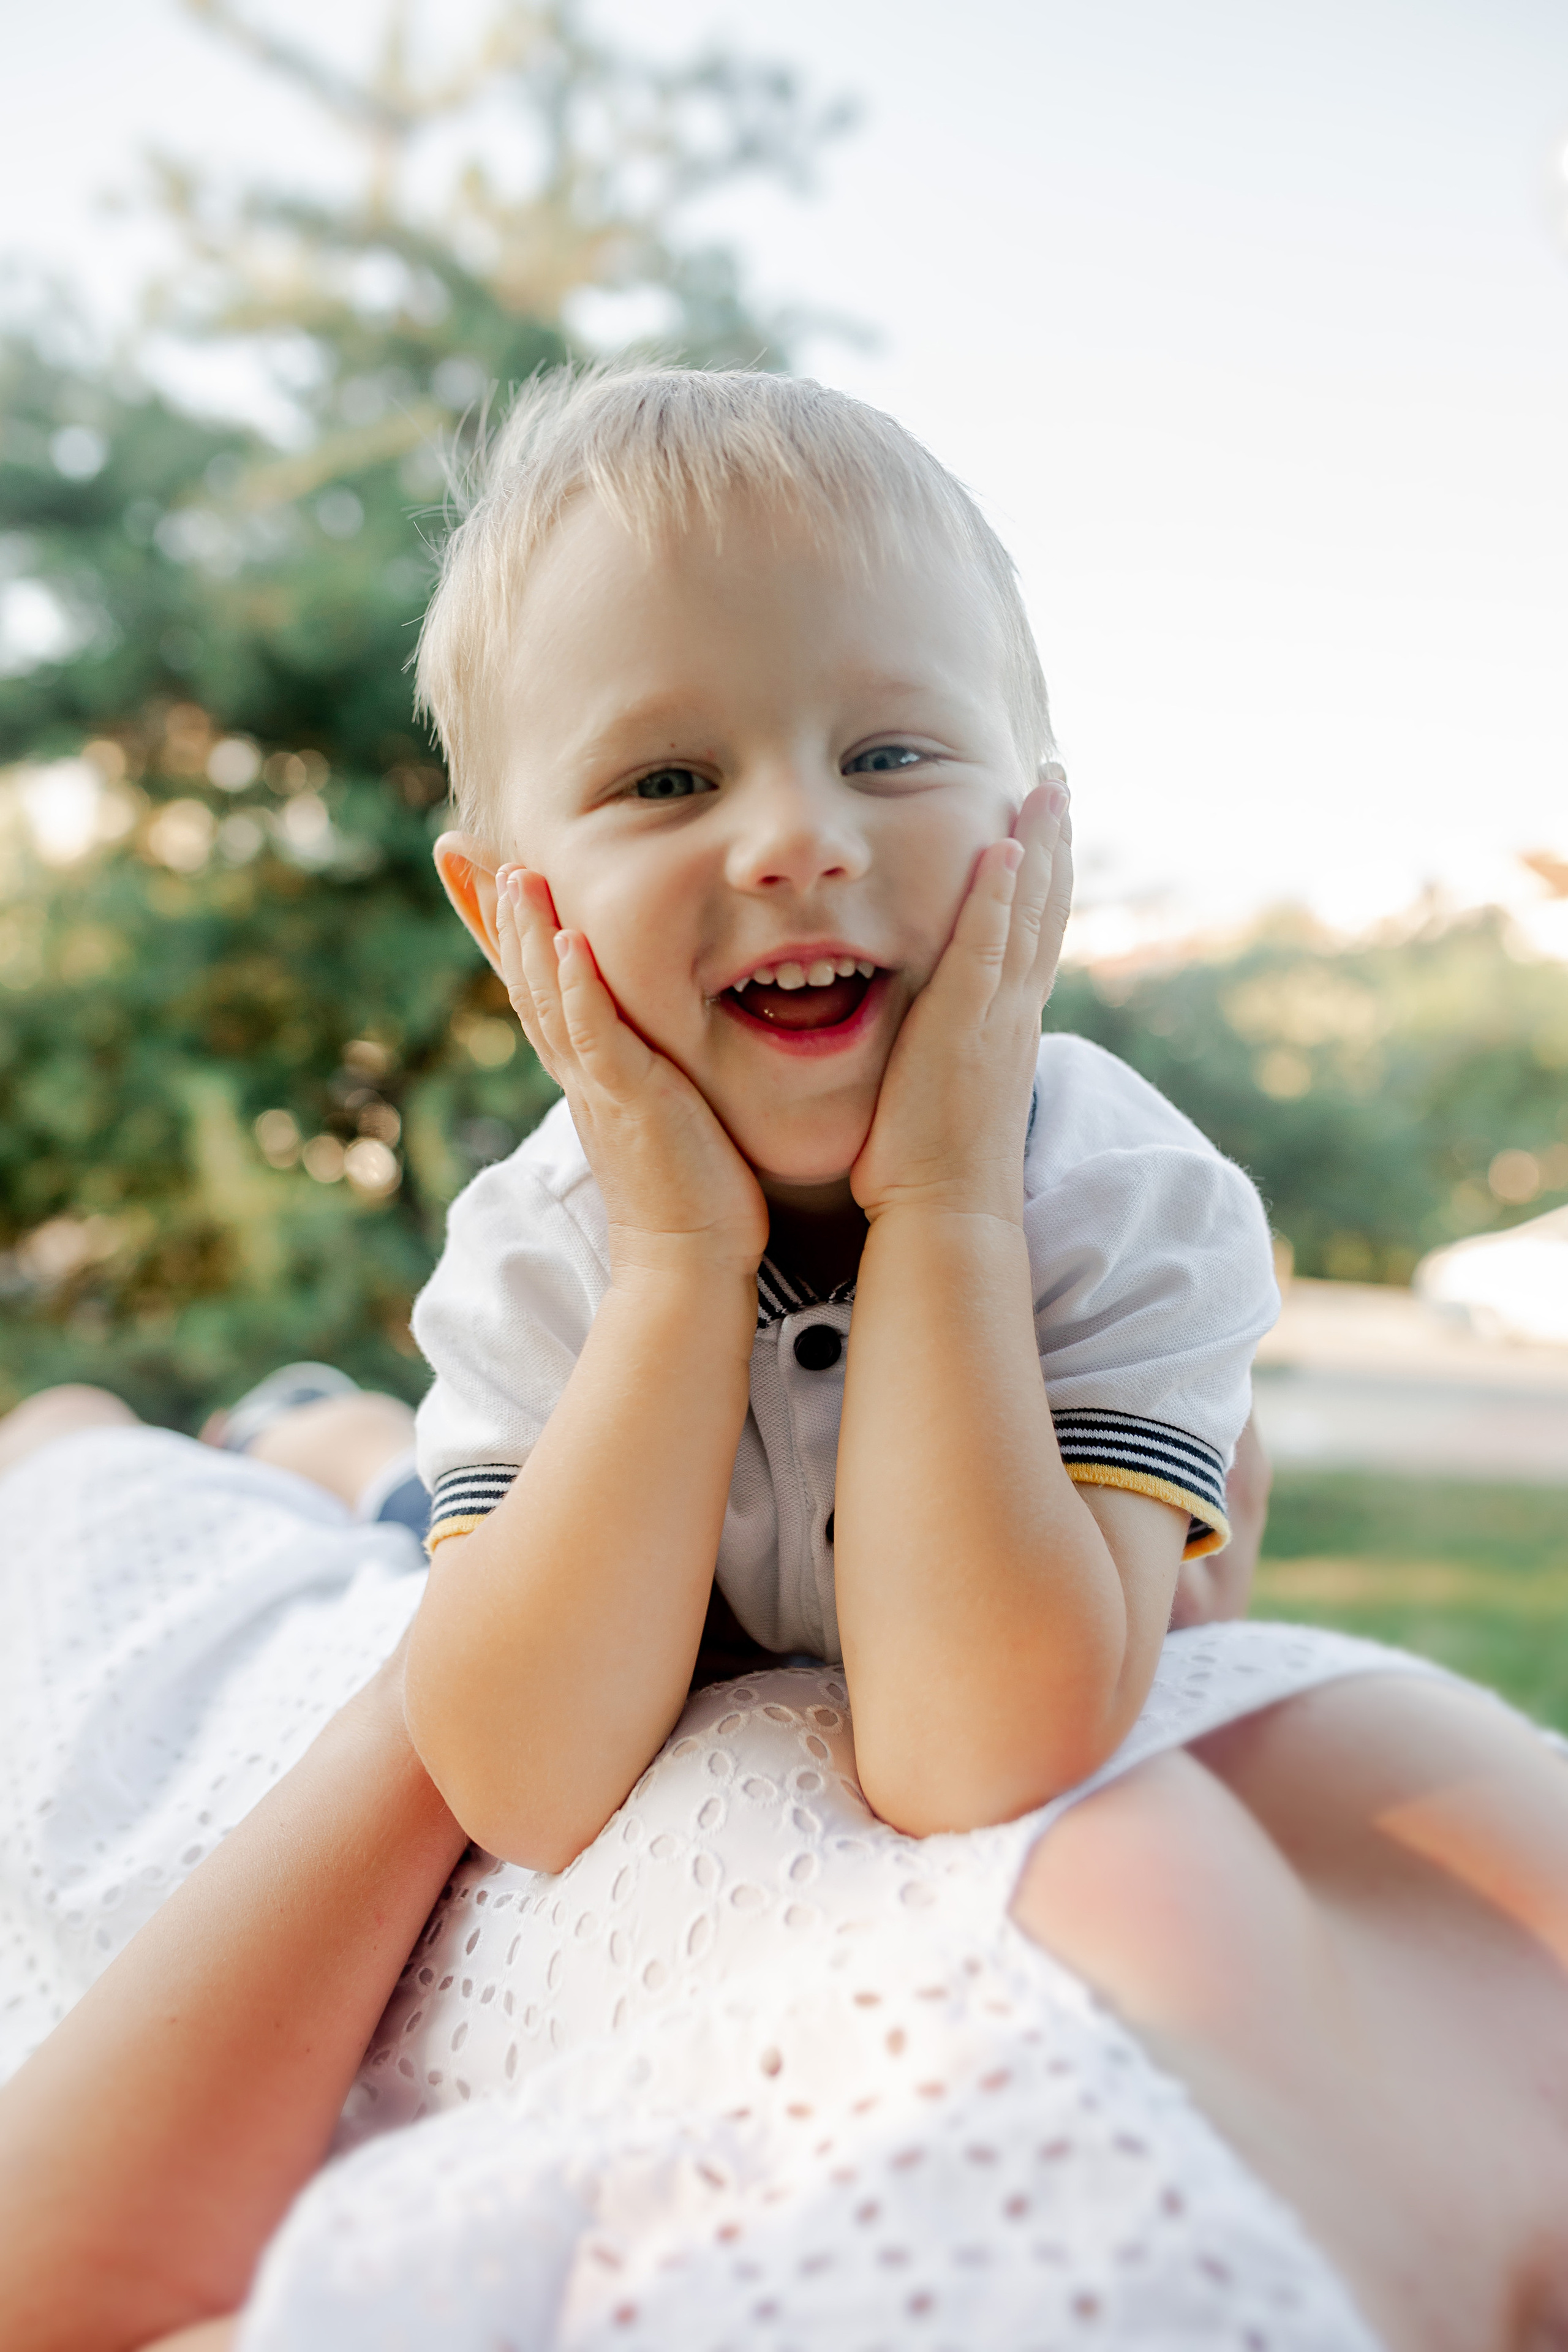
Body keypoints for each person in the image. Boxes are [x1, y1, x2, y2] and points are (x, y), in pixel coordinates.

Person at [2, 1380, 1568, 2350]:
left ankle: (282, 1434)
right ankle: (320, 1434)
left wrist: (485, 1672)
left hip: (255, 1742)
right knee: (355, 1492)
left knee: (77, 1456)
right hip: (657, 1631)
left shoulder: (1048, 2260)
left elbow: (64, 2309)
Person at [400, 365, 1280, 1872]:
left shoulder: (1125, 1202)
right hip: (447, 1501)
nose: (799, 841)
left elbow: (969, 1756)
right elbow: (522, 1790)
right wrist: (677, 1258)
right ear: (507, 916)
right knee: (359, 1502)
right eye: (666, 779)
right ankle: (311, 1435)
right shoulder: (540, 1250)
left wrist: (946, 1203)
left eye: (887, 755)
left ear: (1035, 837)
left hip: (1121, 1526)